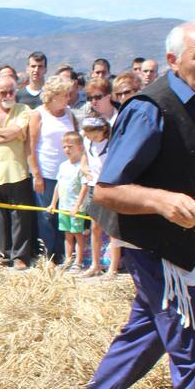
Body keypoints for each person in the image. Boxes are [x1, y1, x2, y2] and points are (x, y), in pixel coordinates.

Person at [79, 20, 195, 389]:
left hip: (188, 242)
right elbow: (108, 190)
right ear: (173, 60)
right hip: (155, 243)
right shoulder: (151, 109)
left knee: (149, 327)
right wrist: (160, 200)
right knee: (188, 327)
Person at [0, 74, 36, 269]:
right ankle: (4, 253)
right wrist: (6, 135)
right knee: (1, 216)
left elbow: (18, 132)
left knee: (20, 216)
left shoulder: (23, 110)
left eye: (11, 91)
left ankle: (20, 256)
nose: (8, 95)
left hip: (17, 170)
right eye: (3, 92)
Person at [28, 78, 80, 264]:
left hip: (69, 173)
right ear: (53, 96)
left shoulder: (70, 114)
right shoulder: (38, 114)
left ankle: (65, 254)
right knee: (46, 214)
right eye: (63, 95)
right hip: (47, 172)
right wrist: (36, 174)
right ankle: (48, 255)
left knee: (65, 213)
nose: (67, 98)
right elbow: (31, 146)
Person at [80, 115, 113, 277]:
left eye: (90, 132)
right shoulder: (87, 142)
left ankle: (113, 267)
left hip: (109, 187)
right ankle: (95, 264)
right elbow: (85, 157)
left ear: (102, 130)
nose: (87, 135)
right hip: (94, 187)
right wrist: (84, 168)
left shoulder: (112, 143)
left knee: (113, 229)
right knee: (95, 227)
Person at [51, 131, 89, 272]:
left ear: (79, 147)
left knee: (78, 234)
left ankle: (78, 262)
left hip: (75, 208)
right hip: (63, 207)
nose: (66, 150)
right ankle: (68, 260)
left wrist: (77, 206)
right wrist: (53, 203)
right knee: (67, 234)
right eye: (64, 147)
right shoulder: (63, 166)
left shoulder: (82, 166)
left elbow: (84, 187)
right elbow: (58, 185)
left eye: (70, 146)